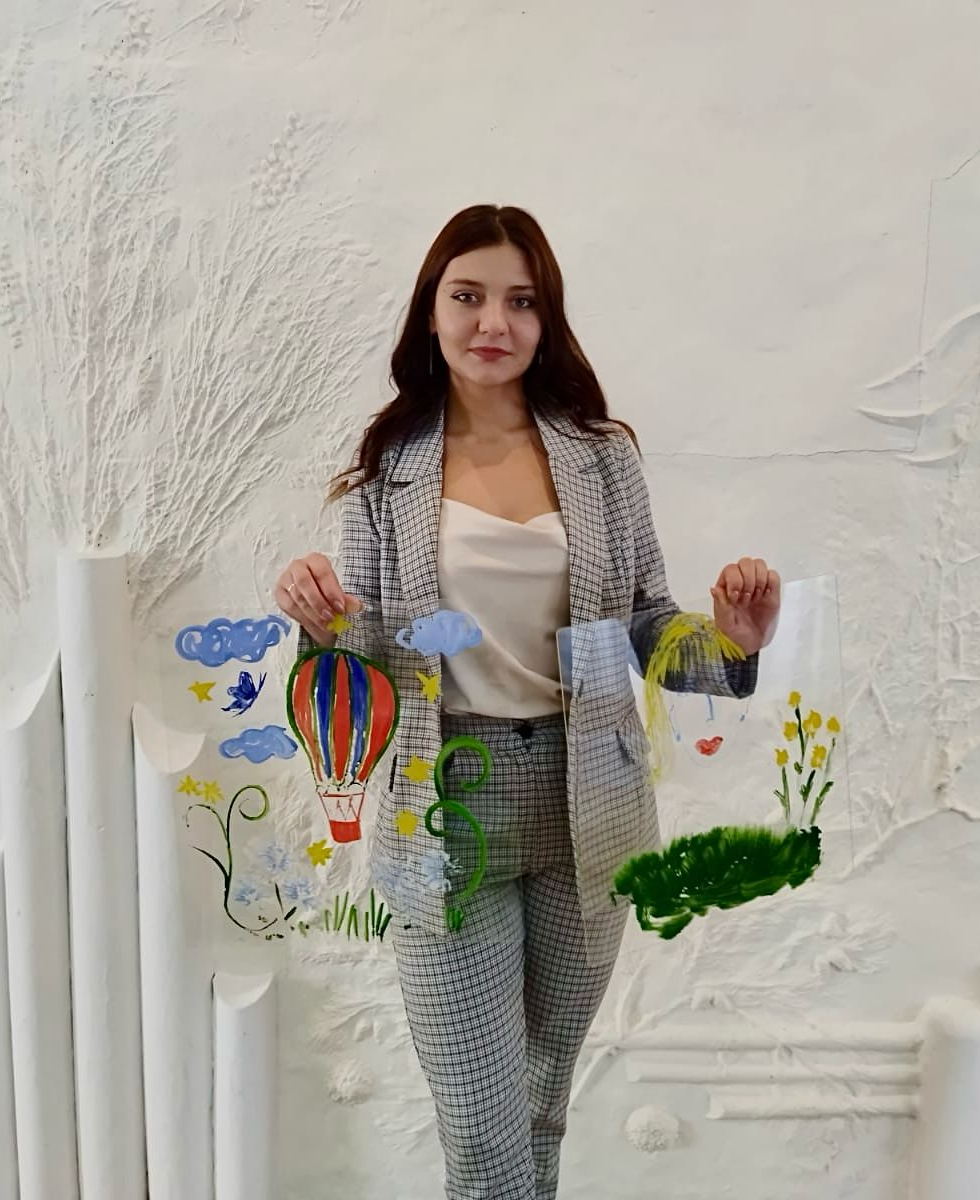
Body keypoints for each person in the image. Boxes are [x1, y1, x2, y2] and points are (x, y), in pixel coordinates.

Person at [274, 204, 782, 1200]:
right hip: (444, 808)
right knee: (480, 1131)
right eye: (467, 296)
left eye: (521, 301)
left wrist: (727, 642)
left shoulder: (601, 458)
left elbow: (643, 625)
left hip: (587, 806)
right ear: (431, 311)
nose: (492, 323)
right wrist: (322, 625)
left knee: (541, 1106)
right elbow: (364, 665)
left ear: (547, 321)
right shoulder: (386, 471)